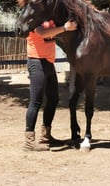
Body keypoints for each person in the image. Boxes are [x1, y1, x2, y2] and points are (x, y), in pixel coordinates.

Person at [23, 19, 77, 151]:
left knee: (53, 99)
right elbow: (41, 33)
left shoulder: (50, 19)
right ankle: (29, 142)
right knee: (36, 101)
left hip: (48, 62)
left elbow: (55, 32)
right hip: (36, 62)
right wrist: (64, 27)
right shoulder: (34, 18)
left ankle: (45, 136)